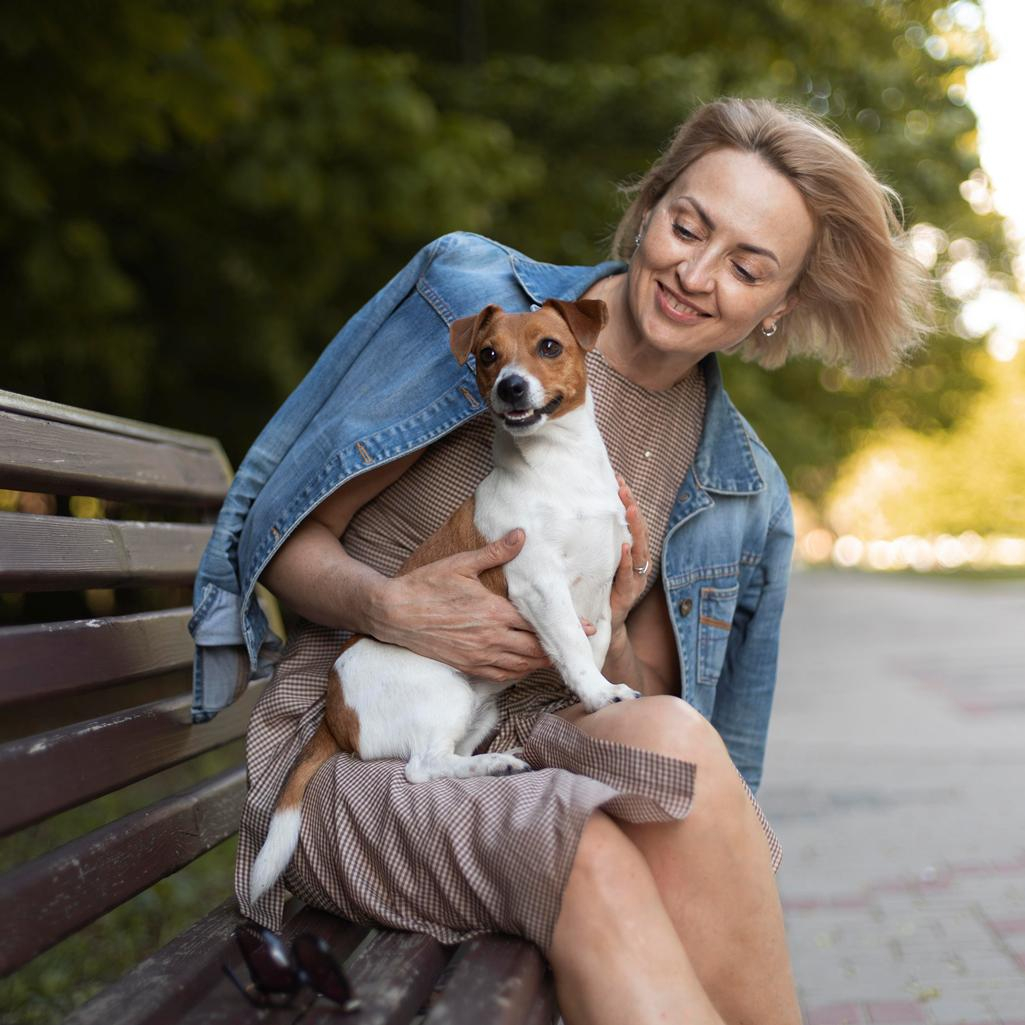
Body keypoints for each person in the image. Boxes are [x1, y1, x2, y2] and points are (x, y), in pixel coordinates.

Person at [189, 98, 929, 1025]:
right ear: (647, 208)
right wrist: (388, 607)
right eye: (686, 226)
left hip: (534, 739)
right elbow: (279, 539)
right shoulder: (476, 303)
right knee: (592, 853)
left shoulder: (740, 485)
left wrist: (607, 626)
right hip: (363, 743)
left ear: (777, 307)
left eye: (747, 268)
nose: (696, 274)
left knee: (677, 752)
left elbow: (646, 701)